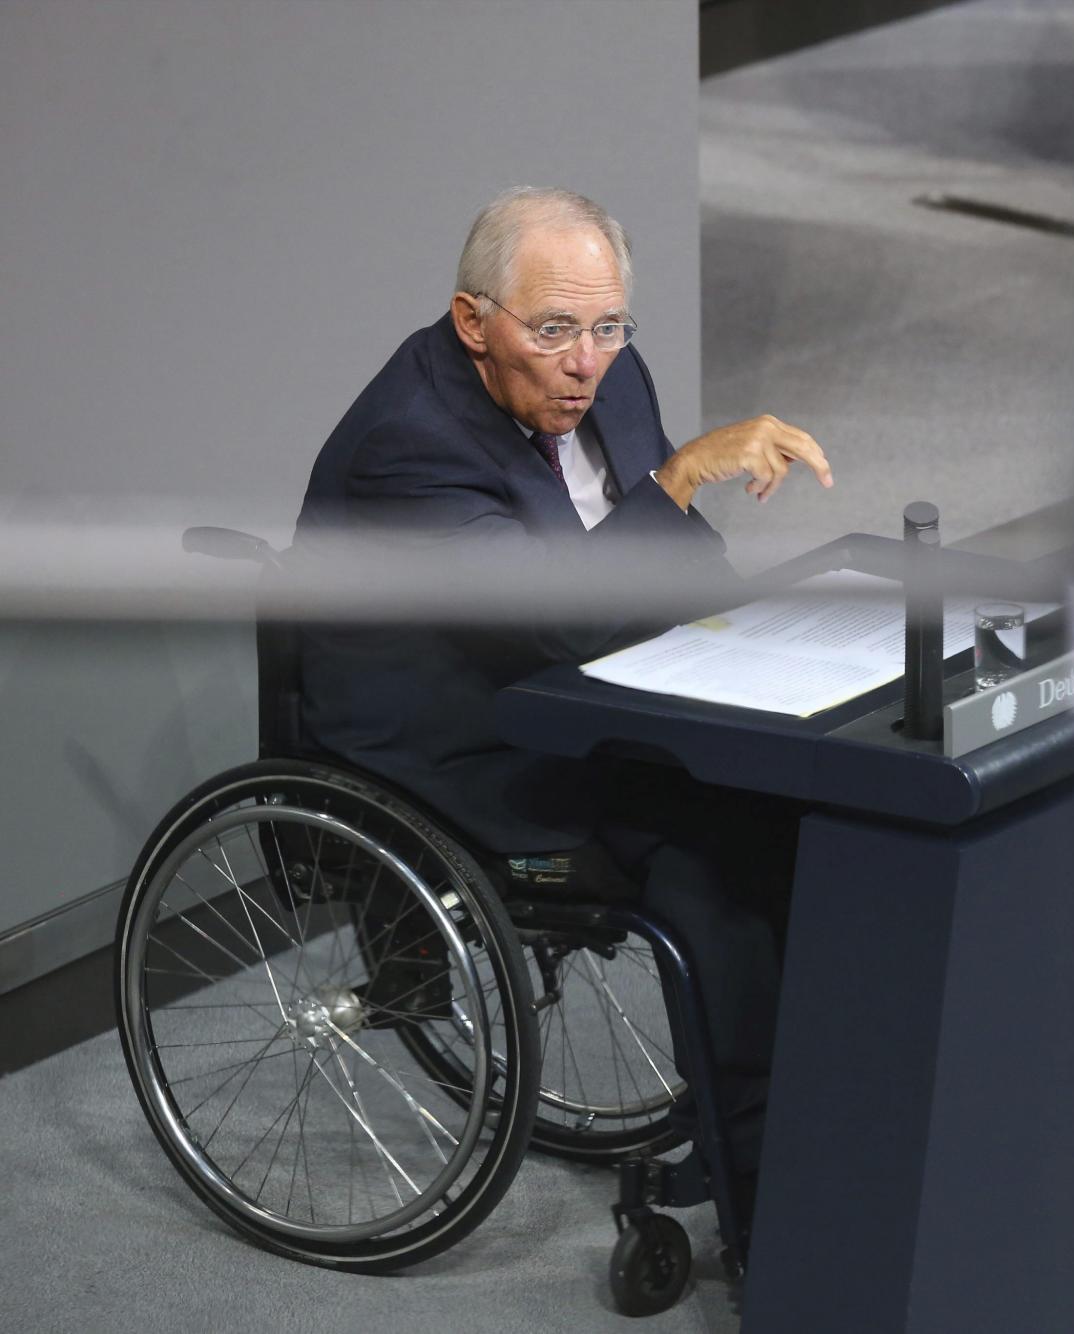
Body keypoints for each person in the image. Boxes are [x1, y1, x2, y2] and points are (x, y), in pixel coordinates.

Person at [293, 186, 833, 1192]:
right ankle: (758, 1168)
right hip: (460, 736)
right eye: (553, 330)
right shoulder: (408, 445)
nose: (586, 362)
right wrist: (675, 484)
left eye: (607, 326)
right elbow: (563, 617)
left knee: (827, 796)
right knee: (710, 846)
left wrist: (758, 641)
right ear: (472, 322)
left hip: (584, 687)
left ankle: (820, 1101)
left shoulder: (606, 382)